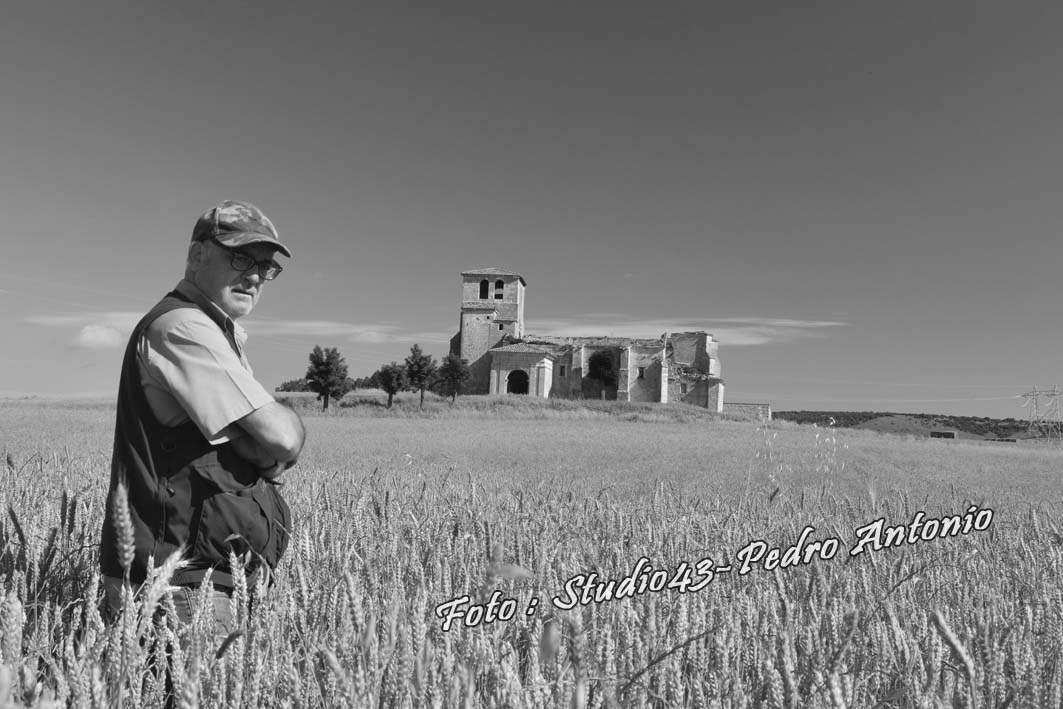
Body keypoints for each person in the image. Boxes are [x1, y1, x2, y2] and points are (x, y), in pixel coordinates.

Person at [99, 199, 305, 637]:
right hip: (179, 583)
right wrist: (262, 446)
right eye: (240, 256)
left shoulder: (214, 331)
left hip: (196, 578)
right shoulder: (183, 328)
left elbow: (263, 442)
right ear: (197, 255)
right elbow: (282, 438)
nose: (254, 275)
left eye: (266, 267)